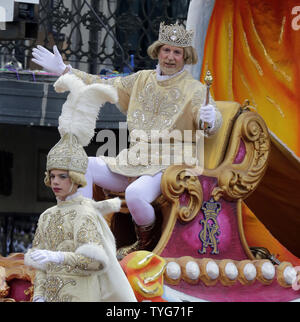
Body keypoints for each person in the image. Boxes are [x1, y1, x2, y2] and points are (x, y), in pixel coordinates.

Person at [31, 22, 223, 259]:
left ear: (186, 57)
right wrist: (65, 71)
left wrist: (211, 118)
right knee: (82, 165)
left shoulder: (194, 89)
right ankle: (83, 236)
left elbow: (209, 124)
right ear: (158, 51)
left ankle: (146, 241)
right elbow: (103, 83)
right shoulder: (141, 80)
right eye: (166, 50)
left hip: (172, 163)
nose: (170, 57)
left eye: (177, 52)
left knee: (135, 194)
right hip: (135, 159)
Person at [24, 74, 137, 302]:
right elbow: (40, 265)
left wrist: (57, 257)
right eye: (52, 176)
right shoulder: (46, 216)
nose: (55, 182)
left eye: (62, 176)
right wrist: (38, 296)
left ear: (75, 179)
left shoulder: (86, 213)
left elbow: (95, 261)